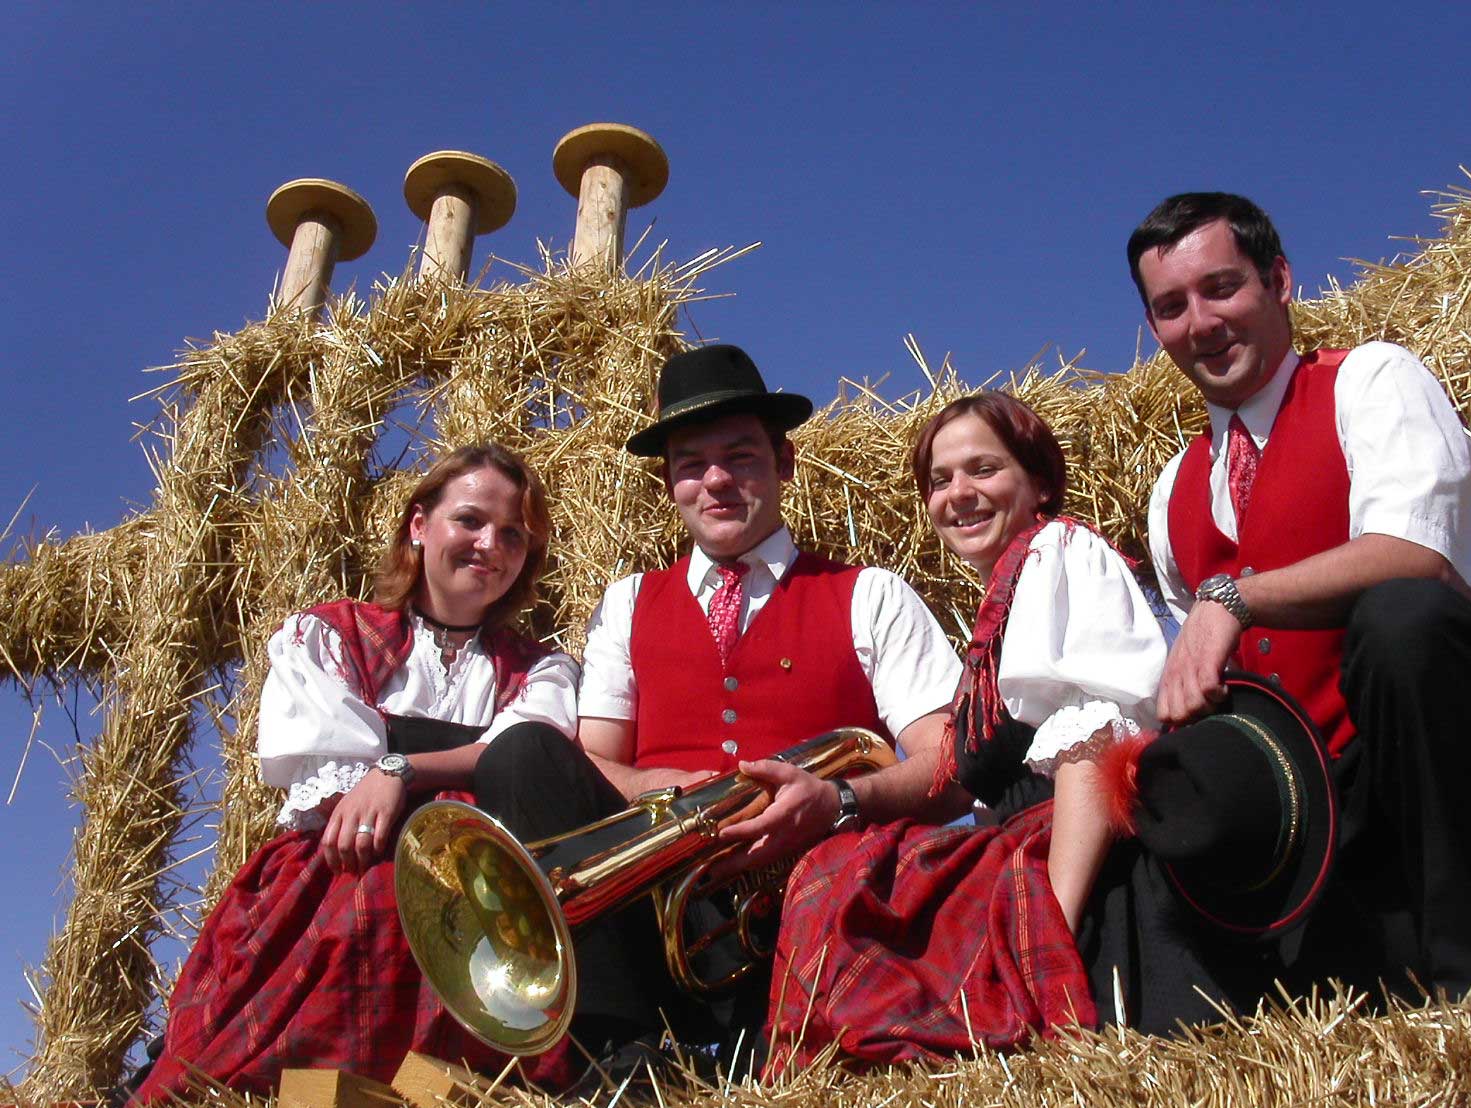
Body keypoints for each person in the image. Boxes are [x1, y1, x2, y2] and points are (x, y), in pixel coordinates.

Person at [1130, 192, 1471, 1007]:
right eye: (1171, 307)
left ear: (1280, 281)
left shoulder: (1370, 381)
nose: (1199, 322)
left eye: (1222, 288)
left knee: (1402, 617)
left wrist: (1234, 598)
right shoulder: (1171, 495)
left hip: (1464, 765)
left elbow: (1416, 558)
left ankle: (1468, 991)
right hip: (1328, 816)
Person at [134, 444, 584, 1104]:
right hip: (345, 863)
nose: (491, 544)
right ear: (418, 525)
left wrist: (400, 767)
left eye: (513, 534)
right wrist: (403, 781)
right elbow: (345, 786)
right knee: (376, 901)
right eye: (470, 521)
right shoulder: (331, 636)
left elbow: (523, 750)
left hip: (488, 878)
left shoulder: (542, 669)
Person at [573, 343, 969, 1062]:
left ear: (784, 463)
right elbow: (592, 758)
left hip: (808, 912)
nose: (716, 481)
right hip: (652, 914)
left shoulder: (871, 595)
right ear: (669, 484)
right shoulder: (626, 604)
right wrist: (646, 786)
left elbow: (951, 760)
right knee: (523, 758)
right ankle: (624, 1051)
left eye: (741, 457)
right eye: (691, 464)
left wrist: (839, 801)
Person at [764, 391, 1175, 1070]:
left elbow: (1093, 746)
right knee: (851, 870)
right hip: (1024, 847)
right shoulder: (1005, 595)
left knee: (850, 874)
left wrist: (1047, 938)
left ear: (1038, 480)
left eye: (982, 469)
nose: (958, 494)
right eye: (939, 480)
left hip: (1075, 858)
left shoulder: (1062, 554)